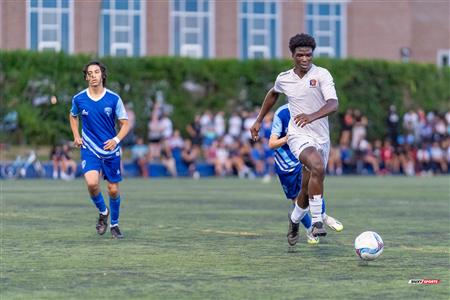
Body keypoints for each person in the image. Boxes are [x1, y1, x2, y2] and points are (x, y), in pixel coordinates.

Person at [250, 33, 340, 244]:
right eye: (300, 55)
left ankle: (293, 221)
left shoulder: (322, 75)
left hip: (321, 137)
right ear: (293, 55)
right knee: (317, 166)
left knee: (306, 189)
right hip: (298, 135)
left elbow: (333, 104)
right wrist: (258, 120)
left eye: (308, 55)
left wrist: (312, 116)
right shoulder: (284, 78)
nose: (305, 59)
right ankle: (317, 222)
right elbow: (273, 93)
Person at [69, 60, 130, 239]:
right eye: (90, 73)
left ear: (102, 75)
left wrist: (116, 139)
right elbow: (73, 116)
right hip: (89, 148)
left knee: (112, 189)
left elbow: (125, 124)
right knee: (92, 183)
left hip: (110, 149)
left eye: (96, 72)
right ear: (86, 77)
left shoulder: (114, 98)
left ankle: (115, 225)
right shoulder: (78, 98)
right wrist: (76, 135)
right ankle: (103, 212)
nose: (93, 76)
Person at [269, 104, 343, 245]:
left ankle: (321, 217)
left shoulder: (310, 108)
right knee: (296, 198)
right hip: (286, 164)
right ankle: (307, 226)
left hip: (304, 155)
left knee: (313, 183)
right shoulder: (281, 113)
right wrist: (287, 138)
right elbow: (271, 143)